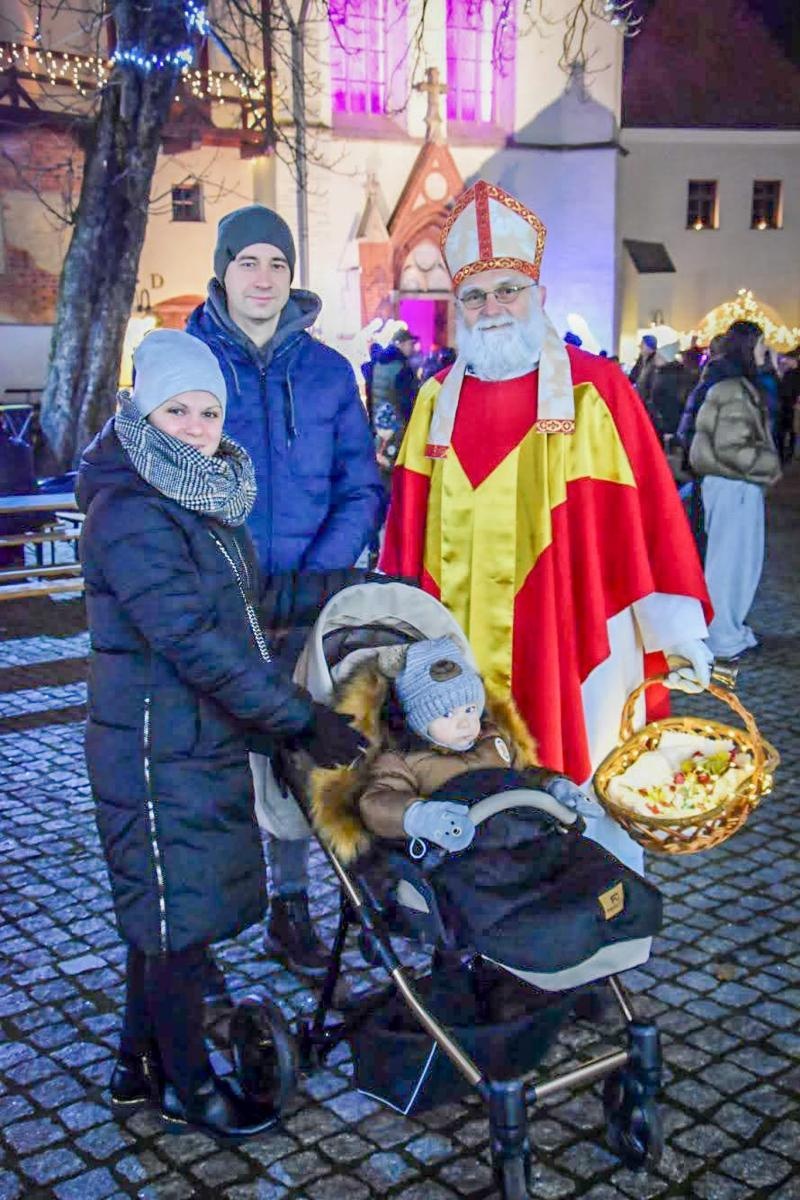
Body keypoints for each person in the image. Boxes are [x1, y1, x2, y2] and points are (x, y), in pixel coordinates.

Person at [76, 330, 367, 1138]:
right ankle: (188, 1088)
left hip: (190, 740)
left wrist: (349, 583)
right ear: (143, 412)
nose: (197, 427)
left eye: (209, 412)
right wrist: (300, 719)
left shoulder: (198, 498)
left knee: (166, 917)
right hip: (154, 749)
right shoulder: (132, 513)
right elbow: (196, 641)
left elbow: (245, 599)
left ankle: (134, 1067)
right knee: (175, 929)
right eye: (178, 411)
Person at [380, 180, 712, 874]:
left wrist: (677, 631)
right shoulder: (435, 401)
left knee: (594, 789)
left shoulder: (596, 390)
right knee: (474, 789)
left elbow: (648, 518)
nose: (492, 308)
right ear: (458, 308)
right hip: (463, 645)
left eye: (508, 290)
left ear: (538, 293)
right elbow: (405, 533)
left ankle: (603, 913)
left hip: (577, 630)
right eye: (475, 295)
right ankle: (492, 917)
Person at [187, 205, 384, 978]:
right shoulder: (190, 363)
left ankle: (291, 904)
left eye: (277, 263)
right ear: (224, 271)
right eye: (248, 262)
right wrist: (216, 570)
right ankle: (195, 933)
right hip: (215, 600)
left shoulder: (328, 372)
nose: (263, 278)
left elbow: (359, 485)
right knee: (206, 764)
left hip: (306, 597)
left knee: (301, 753)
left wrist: (317, 573)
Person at [357, 636, 596, 848]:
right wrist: (419, 816)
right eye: (447, 714)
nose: (465, 723)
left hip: (526, 837)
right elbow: (375, 803)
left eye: (470, 709)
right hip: (468, 855)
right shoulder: (402, 760)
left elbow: (524, 773)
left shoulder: (492, 737)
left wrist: (554, 785)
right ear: (418, 721)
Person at [690, 322, 781, 659]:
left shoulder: (731, 384)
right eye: (760, 345)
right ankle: (722, 633)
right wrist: (767, 464)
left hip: (729, 483)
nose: (765, 352)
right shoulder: (733, 389)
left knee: (733, 560)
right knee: (731, 562)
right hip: (734, 484)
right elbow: (731, 447)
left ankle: (727, 627)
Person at [629, 334, 664, 409]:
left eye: (643, 344)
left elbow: (654, 388)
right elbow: (632, 377)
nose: (640, 346)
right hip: (640, 401)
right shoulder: (642, 359)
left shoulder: (657, 363)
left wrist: (649, 404)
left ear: (649, 348)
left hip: (649, 405)